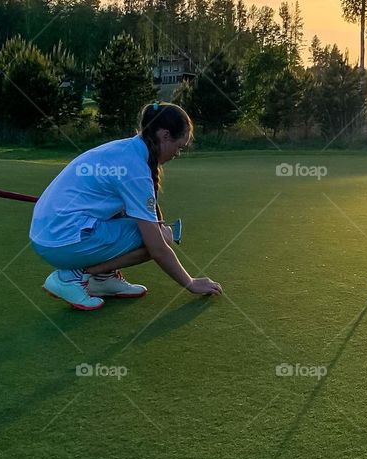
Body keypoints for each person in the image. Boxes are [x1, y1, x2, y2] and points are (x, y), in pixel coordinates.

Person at [29, 101, 222, 310]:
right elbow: (157, 248)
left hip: (49, 234)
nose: (177, 153)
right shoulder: (136, 169)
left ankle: (103, 279)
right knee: (161, 237)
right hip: (60, 241)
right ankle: (74, 276)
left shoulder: (126, 149)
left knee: (137, 223)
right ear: (165, 136)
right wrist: (190, 283)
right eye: (179, 146)